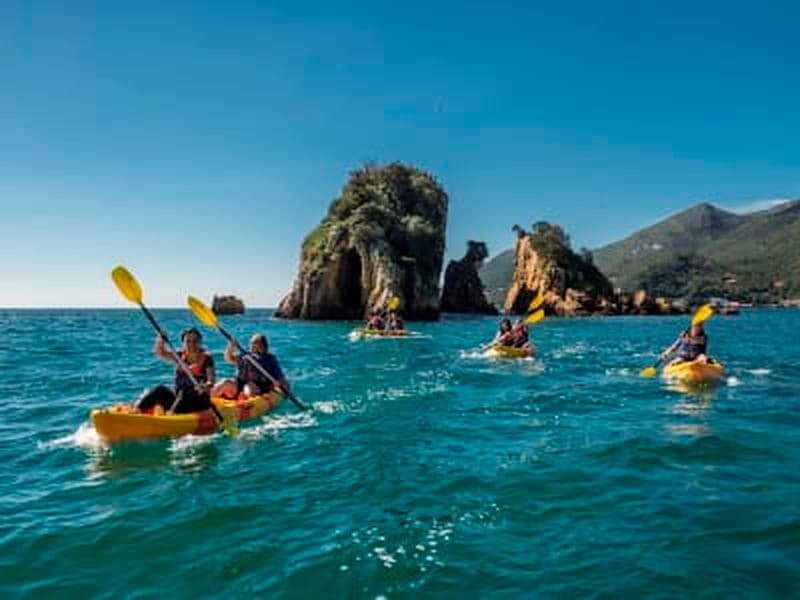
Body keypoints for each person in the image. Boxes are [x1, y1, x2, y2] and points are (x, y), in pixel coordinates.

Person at [134, 327, 216, 414]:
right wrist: (160, 340)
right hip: (180, 401)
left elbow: (211, 381)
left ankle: (171, 416)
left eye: (195, 341)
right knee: (160, 390)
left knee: (185, 393)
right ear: (183, 343)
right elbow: (161, 353)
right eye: (188, 341)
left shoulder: (207, 359)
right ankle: (136, 411)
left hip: (199, 402)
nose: (192, 344)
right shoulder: (179, 356)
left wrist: (205, 386)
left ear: (200, 342)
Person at [213, 333, 289, 399]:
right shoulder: (245, 355)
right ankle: (207, 400)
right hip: (239, 383)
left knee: (248, 388)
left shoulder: (269, 359)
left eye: (255, 343)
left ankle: (244, 404)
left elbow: (280, 377)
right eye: (251, 343)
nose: (252, 346)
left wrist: (281, 385)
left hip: (257, 386)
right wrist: (231, 346)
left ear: (263, 345)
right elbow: (229, 358)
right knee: (225, 382)